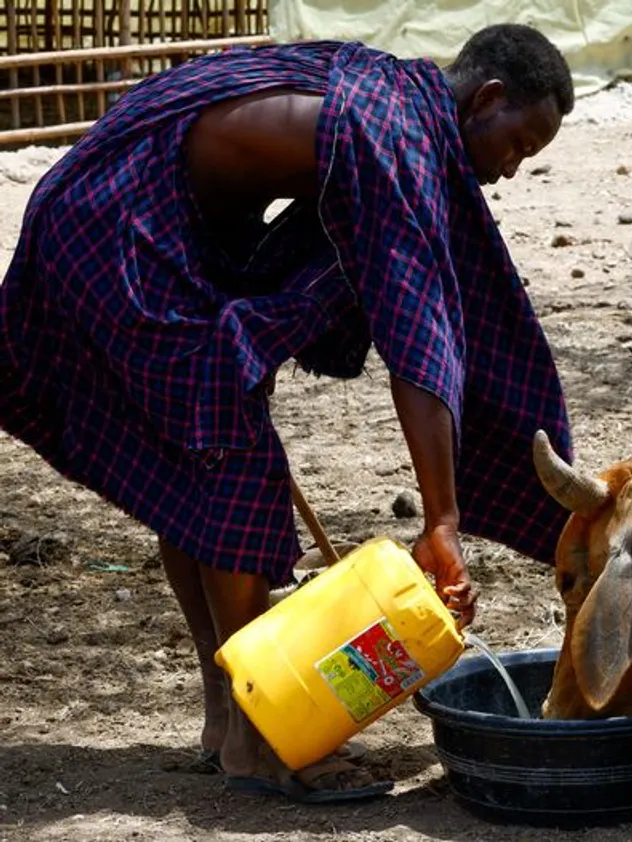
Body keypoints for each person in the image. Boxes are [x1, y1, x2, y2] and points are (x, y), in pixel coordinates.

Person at [0, 24, 576, 803]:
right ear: (489, 99)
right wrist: (441, 520)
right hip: (116, 224)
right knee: (233, 464)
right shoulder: (392, 134)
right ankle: (259, 741)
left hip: (153, 215)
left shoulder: (388, 100)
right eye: (518, 145)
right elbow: (420, 330)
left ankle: (227, 709)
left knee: (202, 450)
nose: (509, 172)